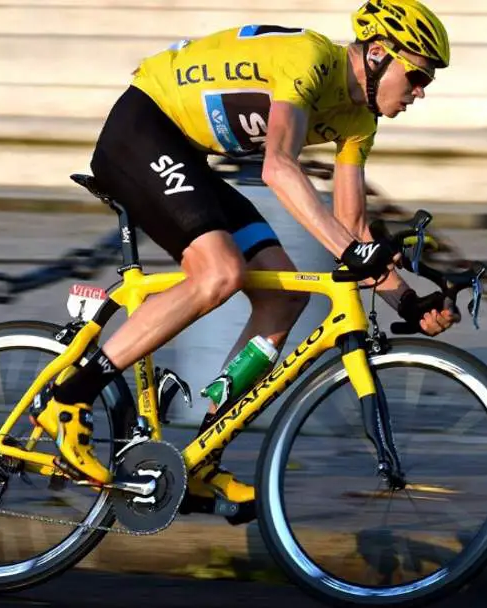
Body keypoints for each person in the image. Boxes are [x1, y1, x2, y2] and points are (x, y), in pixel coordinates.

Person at [32, 0, 456, 523]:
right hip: (143, 127)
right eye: (416, 75)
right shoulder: (310, 60)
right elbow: (278, 167)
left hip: (189, 158)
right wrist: (352, 250)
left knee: (283, 298)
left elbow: (351, 229)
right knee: (220, 272)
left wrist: (408, 300)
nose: (420, 92)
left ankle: (204, 453)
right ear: (375, 54)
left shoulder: (359, 121)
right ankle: (68, 396)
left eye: (427, 82)